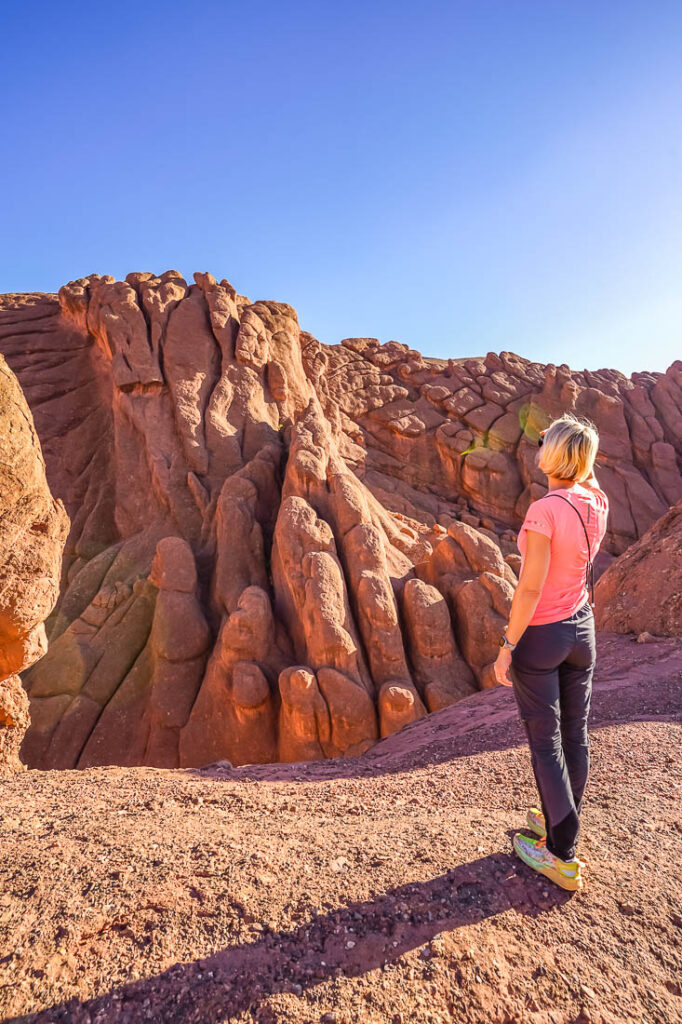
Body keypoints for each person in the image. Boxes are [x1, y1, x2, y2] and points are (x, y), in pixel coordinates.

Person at [493, 412, 609, 891]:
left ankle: (561, 854)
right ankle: (559, 822)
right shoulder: (597, 501)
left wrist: (507, 646)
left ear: (554, 454)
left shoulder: (544, 509)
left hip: (543, 635)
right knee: (575, 736)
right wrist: (580, 452)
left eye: (545, 443)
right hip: (583, 631)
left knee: (546, 742)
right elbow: (586, 478)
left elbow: (530, 587)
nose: (537, 449)